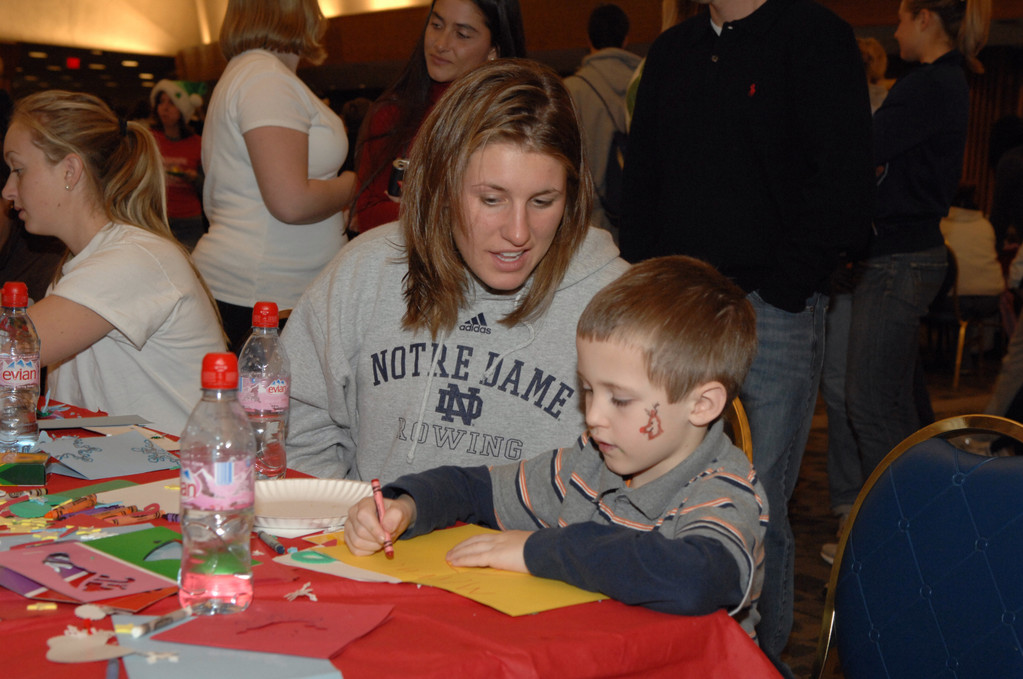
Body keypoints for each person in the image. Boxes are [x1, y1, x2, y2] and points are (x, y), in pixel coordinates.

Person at [619, 0, 876, 672]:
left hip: (773, 311)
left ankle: (754, 659)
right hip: (675, 312)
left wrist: (782, 288)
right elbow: (640, 177)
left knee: (754, 503)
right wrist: (650, 284)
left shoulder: (815, 38)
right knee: (661, 490)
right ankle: (677, 654)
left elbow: (843, 182)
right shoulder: (672, 51)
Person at [344, 255, 767, 636]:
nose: (594, 415)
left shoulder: (723, 490)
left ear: (702, 404)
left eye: (619, 399)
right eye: (587, 389)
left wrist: (542, 551)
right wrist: (406, 505)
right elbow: (476, 489)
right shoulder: (588, 462)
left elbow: (696, 579)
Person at [282, 59, 629, 483]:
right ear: (442, 186)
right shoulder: (365, 270)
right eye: (491, 199)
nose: (518, 233)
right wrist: (338, 518)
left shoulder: (621, 305)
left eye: (542, 202)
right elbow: (293, 416)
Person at [844, 0, 991, 561]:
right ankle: (925, 525)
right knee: (901, 409)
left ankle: (897, 536)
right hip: (909, 254)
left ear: (926, 18)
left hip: (900, 258)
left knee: (871, 403)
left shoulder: (930, 84)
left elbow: (865, 149)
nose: (897, 30)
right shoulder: (942, 83)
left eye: (903, 19)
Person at [1, 90, 226, 434]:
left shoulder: (131, 261)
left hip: (176, 477)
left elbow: (11, 356)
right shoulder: (82, 261)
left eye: (18, 170)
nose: (7, 190)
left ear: (70, 170)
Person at [192, 0, 357, 352]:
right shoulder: (265, 79)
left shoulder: (256, 74)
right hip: (263, 291)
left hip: (262, 289)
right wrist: (352, 186)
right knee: (264, 408)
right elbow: (291, 202)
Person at [349, 0, 526, 234]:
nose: (441, 44)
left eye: (462, 34)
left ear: (494, 49)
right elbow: (366, 215)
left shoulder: (517, 118)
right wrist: (446, 211)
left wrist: (415, 208)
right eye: (436, 25)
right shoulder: (392, 113)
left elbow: (513, 217)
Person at [564, 3, 641, 241]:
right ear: (626, 39)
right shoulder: (646, 82)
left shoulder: (571, 91)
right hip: (639, 220)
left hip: (591, 225)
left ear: (588, 38)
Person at [149, 79, 205, 251]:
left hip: (189, 220)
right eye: (161, 102)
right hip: (157, 218)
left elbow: (210, 184)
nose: (164, 108)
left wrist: (195, 178)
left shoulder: (198, 143)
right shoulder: (150, 139)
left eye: (171, 103)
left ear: (182, 110)